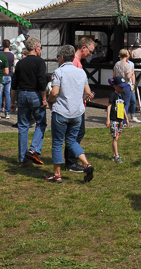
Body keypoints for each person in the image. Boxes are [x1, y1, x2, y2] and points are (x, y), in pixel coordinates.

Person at [47, 44, 95, 183]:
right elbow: (88, 92)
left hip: (61, 111)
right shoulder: (81, 72)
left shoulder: (59, 72)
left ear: (62, 57)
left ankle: (57, 174)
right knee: (72, 141)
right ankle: (86, 164)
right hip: (77, 112)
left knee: (57, 142)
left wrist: (49, 101)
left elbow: (54, 92)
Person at [12, 37, 48, 166]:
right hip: (35, 94)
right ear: (36, 48)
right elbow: (41, 81)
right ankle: (33, 149)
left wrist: (12, 101)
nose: (40, 50)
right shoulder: (40, 62)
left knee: (23, 126)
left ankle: (22, 159)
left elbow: (14, 84)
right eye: (40, 48)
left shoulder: (20, 63)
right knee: (41, 123)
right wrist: (44, 98)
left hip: (22, 94)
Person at [65, 36, 95, 173]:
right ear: (83, 48)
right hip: (75, 105)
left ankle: (71, 161)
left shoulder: (77, 62)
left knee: (76, 133)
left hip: (78, 102)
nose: (91, 54)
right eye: (90, 51)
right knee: (76, 133)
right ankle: (71, 162)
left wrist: (86, 94)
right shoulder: (75, 63)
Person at [106, 76, 130, 163]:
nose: (122, 88)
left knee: (117, 137)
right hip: (114, 119)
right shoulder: (113, 95)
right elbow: (109, 106)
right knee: (115, 138)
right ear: (115, 86)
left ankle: (114, 154)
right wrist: (108, 119)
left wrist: (126, 119)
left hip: (120, 119)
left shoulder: (122, 96)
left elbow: (123, 108)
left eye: (123, 87)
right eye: (120, 87)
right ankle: (117, 156)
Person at [113, 48, 139, 124]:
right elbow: (128, 77)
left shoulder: (117, 64)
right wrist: (132, 72)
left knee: (120, 103)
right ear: (127, 55)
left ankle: (120, 120)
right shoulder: (128, 65)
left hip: (118, 85)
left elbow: (114, 76)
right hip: (126, 85)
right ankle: (124, 121)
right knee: (126, 104)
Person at [0, 39, 16, 119]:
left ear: (2, 45)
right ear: (9, 46)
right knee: (7, 95)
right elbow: (12, 65)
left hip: (1, 75)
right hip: (8, 75)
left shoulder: (0, 54)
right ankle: (7, 113)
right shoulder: (12, 55)